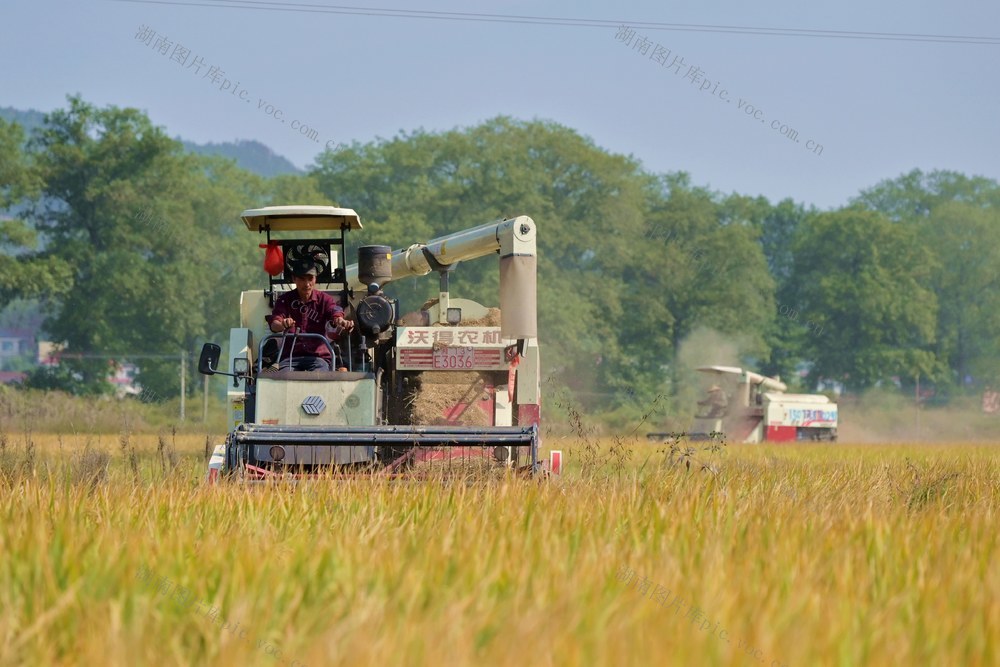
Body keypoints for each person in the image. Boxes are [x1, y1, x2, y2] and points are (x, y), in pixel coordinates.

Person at [266, 258, 354, 371]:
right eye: (302, 279)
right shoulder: (284, 300)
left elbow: (335, 312)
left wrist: (340, 321)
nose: (307, 284)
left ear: (315, 279)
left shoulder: (325, 300)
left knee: (320, 377)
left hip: (318, 359)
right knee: (284, 377)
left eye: (310, 279)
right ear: (294, 279)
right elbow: (274, 324)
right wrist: (282, 324)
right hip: (290, 359)